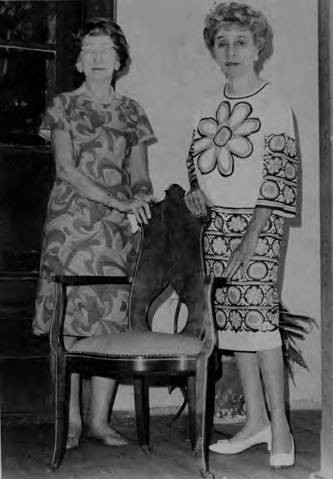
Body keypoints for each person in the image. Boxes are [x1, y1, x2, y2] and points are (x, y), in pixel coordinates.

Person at [33, 17, 156, 450]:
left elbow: (140, 176)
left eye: (107, 50)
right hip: (70, 226)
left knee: (107, 323)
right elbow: (65, 170)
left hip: (114, 232)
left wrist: (138, 202)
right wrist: (119, 200)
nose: (99, 57)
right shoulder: (62, 105)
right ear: (80, 62)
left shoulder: (132, 111)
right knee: (66, 323)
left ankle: (99, 422)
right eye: (90, 50)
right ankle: (67, 421)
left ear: (120, 60)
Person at [185, 2, 298, 469]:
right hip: (215, 227)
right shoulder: (206, 105)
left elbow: (280, 174)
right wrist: (195, 193)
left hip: (258, 224)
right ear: (213, 49)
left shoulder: (274, 103)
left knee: (262, 324)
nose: (231, 50)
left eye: (241, 42)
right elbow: (195, 162)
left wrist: (253, 234)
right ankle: (255, 422)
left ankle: (282, 427)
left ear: (258, 47)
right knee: (234, 327)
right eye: (222, 42)